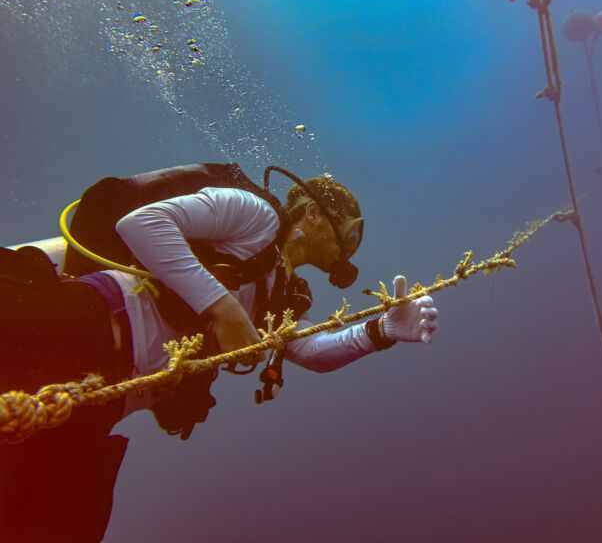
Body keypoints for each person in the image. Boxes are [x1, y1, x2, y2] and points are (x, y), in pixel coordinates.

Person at [0, 163, 439, 541]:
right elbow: (141, 223)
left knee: (59, 527)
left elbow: (310, 351)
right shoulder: (256, 216)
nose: (352, 244)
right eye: (351, 229)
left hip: (106, 399)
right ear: (315, 215)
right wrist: (224, 308)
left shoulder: (283, 293)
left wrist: (379, 331)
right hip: (89, 322)